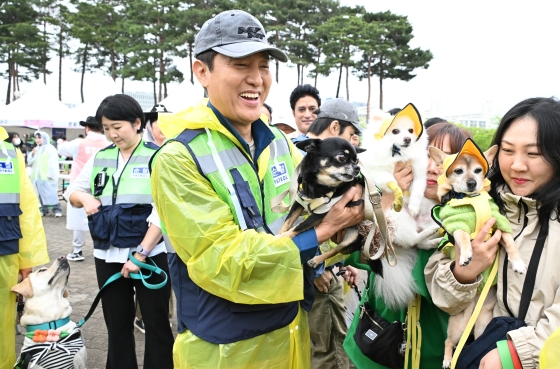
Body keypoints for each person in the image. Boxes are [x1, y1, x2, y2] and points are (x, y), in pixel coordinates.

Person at [150, 9, 364, 368]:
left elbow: (297, 218)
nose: (256, 79)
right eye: (239, 64)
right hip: (224, 347)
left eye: (263, 66)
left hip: (291, 331)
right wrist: (327, 229)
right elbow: (221, 259)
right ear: (202, 71)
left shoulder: (279, 143)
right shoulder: (178, 157)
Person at [426, 97, 560, 369]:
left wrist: (517, 354)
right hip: (485, 346)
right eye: (508, 151)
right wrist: (463, 273)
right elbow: (441, 294)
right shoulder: (479, 204)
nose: (517, 165)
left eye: (533, 154)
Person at [343, 122, 472, 368]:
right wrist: (389, 202)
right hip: (375, 346)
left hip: (434, 353)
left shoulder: (467, 217)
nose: (434, 168)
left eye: (447, 159)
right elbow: (354, 255)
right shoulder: (382, 196)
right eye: (428, 155)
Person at [64, 94, 173, 369]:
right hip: (107, 255)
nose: (112, 134)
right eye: (107, 128)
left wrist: (142, 254)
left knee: (157, 324)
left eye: (118, 126)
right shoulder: (101, 157)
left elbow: (164, 210)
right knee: (116, 325)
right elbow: (72, 190)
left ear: (137, 123)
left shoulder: (157, 157)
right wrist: (85, 198)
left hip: (149, 255)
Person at [294, 97, 363, 369]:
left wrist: (341, 263)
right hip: (314, 272)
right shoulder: (303, 160)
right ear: (335, 127)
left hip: (326, 267)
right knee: (330, 349)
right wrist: (316, 269)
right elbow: (296, 217)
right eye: (351, 135)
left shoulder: (321, 162)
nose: (352, 143)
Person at [0, 126, 49, 369]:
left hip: (5, 251)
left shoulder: (8, 152)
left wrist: (26, 261)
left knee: (2, 324)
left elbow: (27, 208)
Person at [58, 116, 109, 261]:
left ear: (87, 128)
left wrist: (61, 141)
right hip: (101, 187)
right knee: (101, 218)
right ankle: (101, 248)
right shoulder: (108, 143)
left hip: (79, 189)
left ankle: (77, 250)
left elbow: (61, 149)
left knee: (79, 220)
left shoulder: (79, 143)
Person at [27, 131, 63, 217]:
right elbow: (30, 161)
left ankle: (57, 209)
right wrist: (32, 154)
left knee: (52, 193)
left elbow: (53, 162)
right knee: (41, 194)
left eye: (39, 138)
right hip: (38, 176)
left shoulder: (50, 148)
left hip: (48, 176)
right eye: (36, 138)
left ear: (45, 138)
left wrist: (51, 174)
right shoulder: (37, 149)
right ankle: (44, 210)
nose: (37, 140)